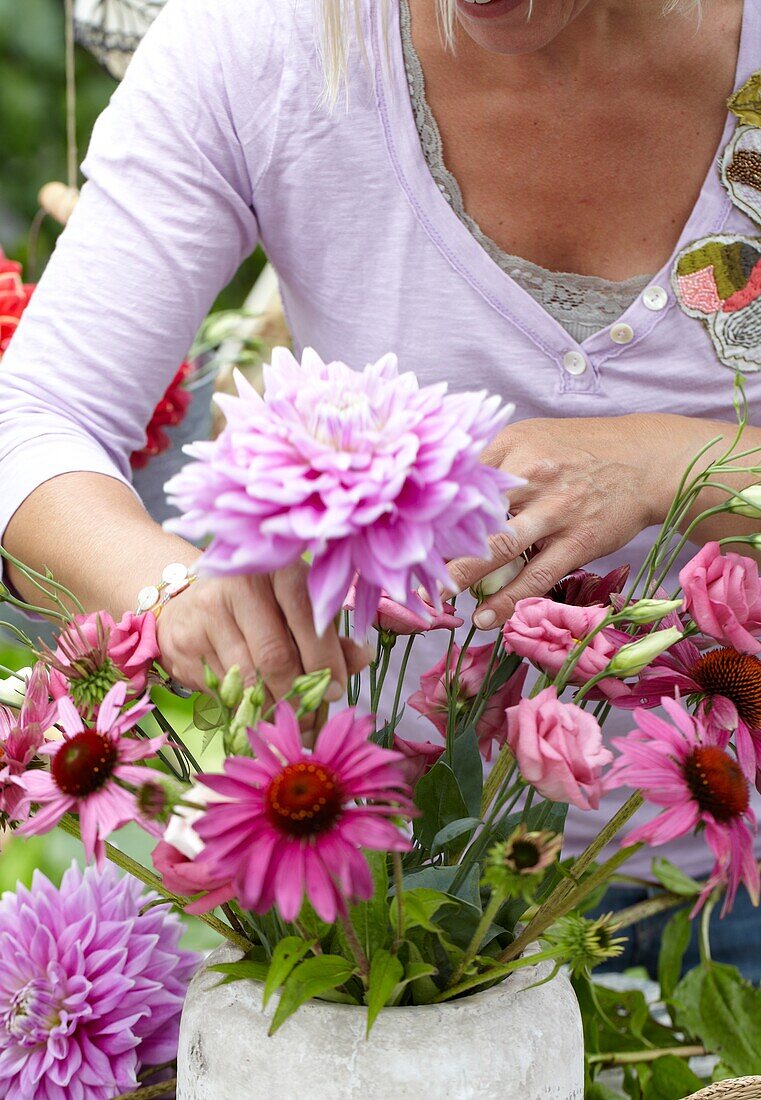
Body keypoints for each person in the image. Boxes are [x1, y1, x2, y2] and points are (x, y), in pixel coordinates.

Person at [0, 0, 759, 975]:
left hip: (731, 888)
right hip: (392, 902)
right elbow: (35, 420)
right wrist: (175, 594)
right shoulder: (258, 45)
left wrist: (663, 465)